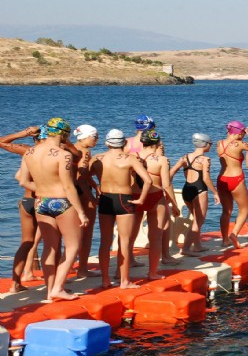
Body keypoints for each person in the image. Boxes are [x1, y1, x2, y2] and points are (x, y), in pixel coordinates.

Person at [17, 118, 89, 301]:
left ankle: (50, 291)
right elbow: (68, 187)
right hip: (62, 202)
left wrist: (42, 188)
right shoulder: (62, 155)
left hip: (41, 202)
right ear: (64, 134)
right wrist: (81, 212)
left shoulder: (30, 153)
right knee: (73, 246)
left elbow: (23, 181)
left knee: (49, 248)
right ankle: (58, 288)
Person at [90, 129, 152, 289]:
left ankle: (105, 280)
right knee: (124, 241)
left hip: (105, 198)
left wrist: (95, 189)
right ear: (124, 143)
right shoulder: (130, 159)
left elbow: (83, 177)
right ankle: (124, 281)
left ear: (107, 143)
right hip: (124, 199)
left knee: (105, 242)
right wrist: (142, 199)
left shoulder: (97, 159)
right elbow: (148, 180)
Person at [1, 125, 45, 293]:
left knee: (26, 243)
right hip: (45, 199)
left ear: (35, 138)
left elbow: (2, 142)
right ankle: (54, 284)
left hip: (28, 200)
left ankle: (15, 283)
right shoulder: (57, 152)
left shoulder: (28, 151)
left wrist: (24, 133)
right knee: (52, 243)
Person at [132, 130, 180, 279]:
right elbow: (166, 185)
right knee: (156, 237)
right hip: (155, 197)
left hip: (135, 196)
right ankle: (152, 273)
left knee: (128, 236)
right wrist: (174, 203)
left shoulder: (132, 157)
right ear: (157, 143)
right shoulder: (162, 160)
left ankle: (119, 272)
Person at [217, 120, 248, 248]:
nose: (244, 135)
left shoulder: (219, 143)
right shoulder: (239, 144)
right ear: (239, 132)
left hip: (222, 179)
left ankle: (224, 240)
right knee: (244, 209)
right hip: (236, 179)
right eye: (243, 132)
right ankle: (233, 234)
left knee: (226, 211)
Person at [170, 133, 220, 256]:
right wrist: (215, 192)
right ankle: (186, 248)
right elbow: (206, 179)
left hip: (186, 190)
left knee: (196, 219)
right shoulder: (205, 160)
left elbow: (171, 172)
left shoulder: (184, 158)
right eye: (210, 144)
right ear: (205, 144)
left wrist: (167, 185)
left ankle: (197, 245)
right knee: (198, 221)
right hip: (199, 191)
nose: (211, 146)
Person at [72, 124, 100, 278]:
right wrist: (93, 199)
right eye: (95, 136)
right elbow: (81, 178)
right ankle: (82, 269)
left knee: (70, 233)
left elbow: (82, 175)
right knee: (86, 233)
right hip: (81, 192)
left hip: (70, 192)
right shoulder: (85, 152)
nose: (97, 140)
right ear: (86, 137)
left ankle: (65, 267)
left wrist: (95, 186)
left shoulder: (70, 149)